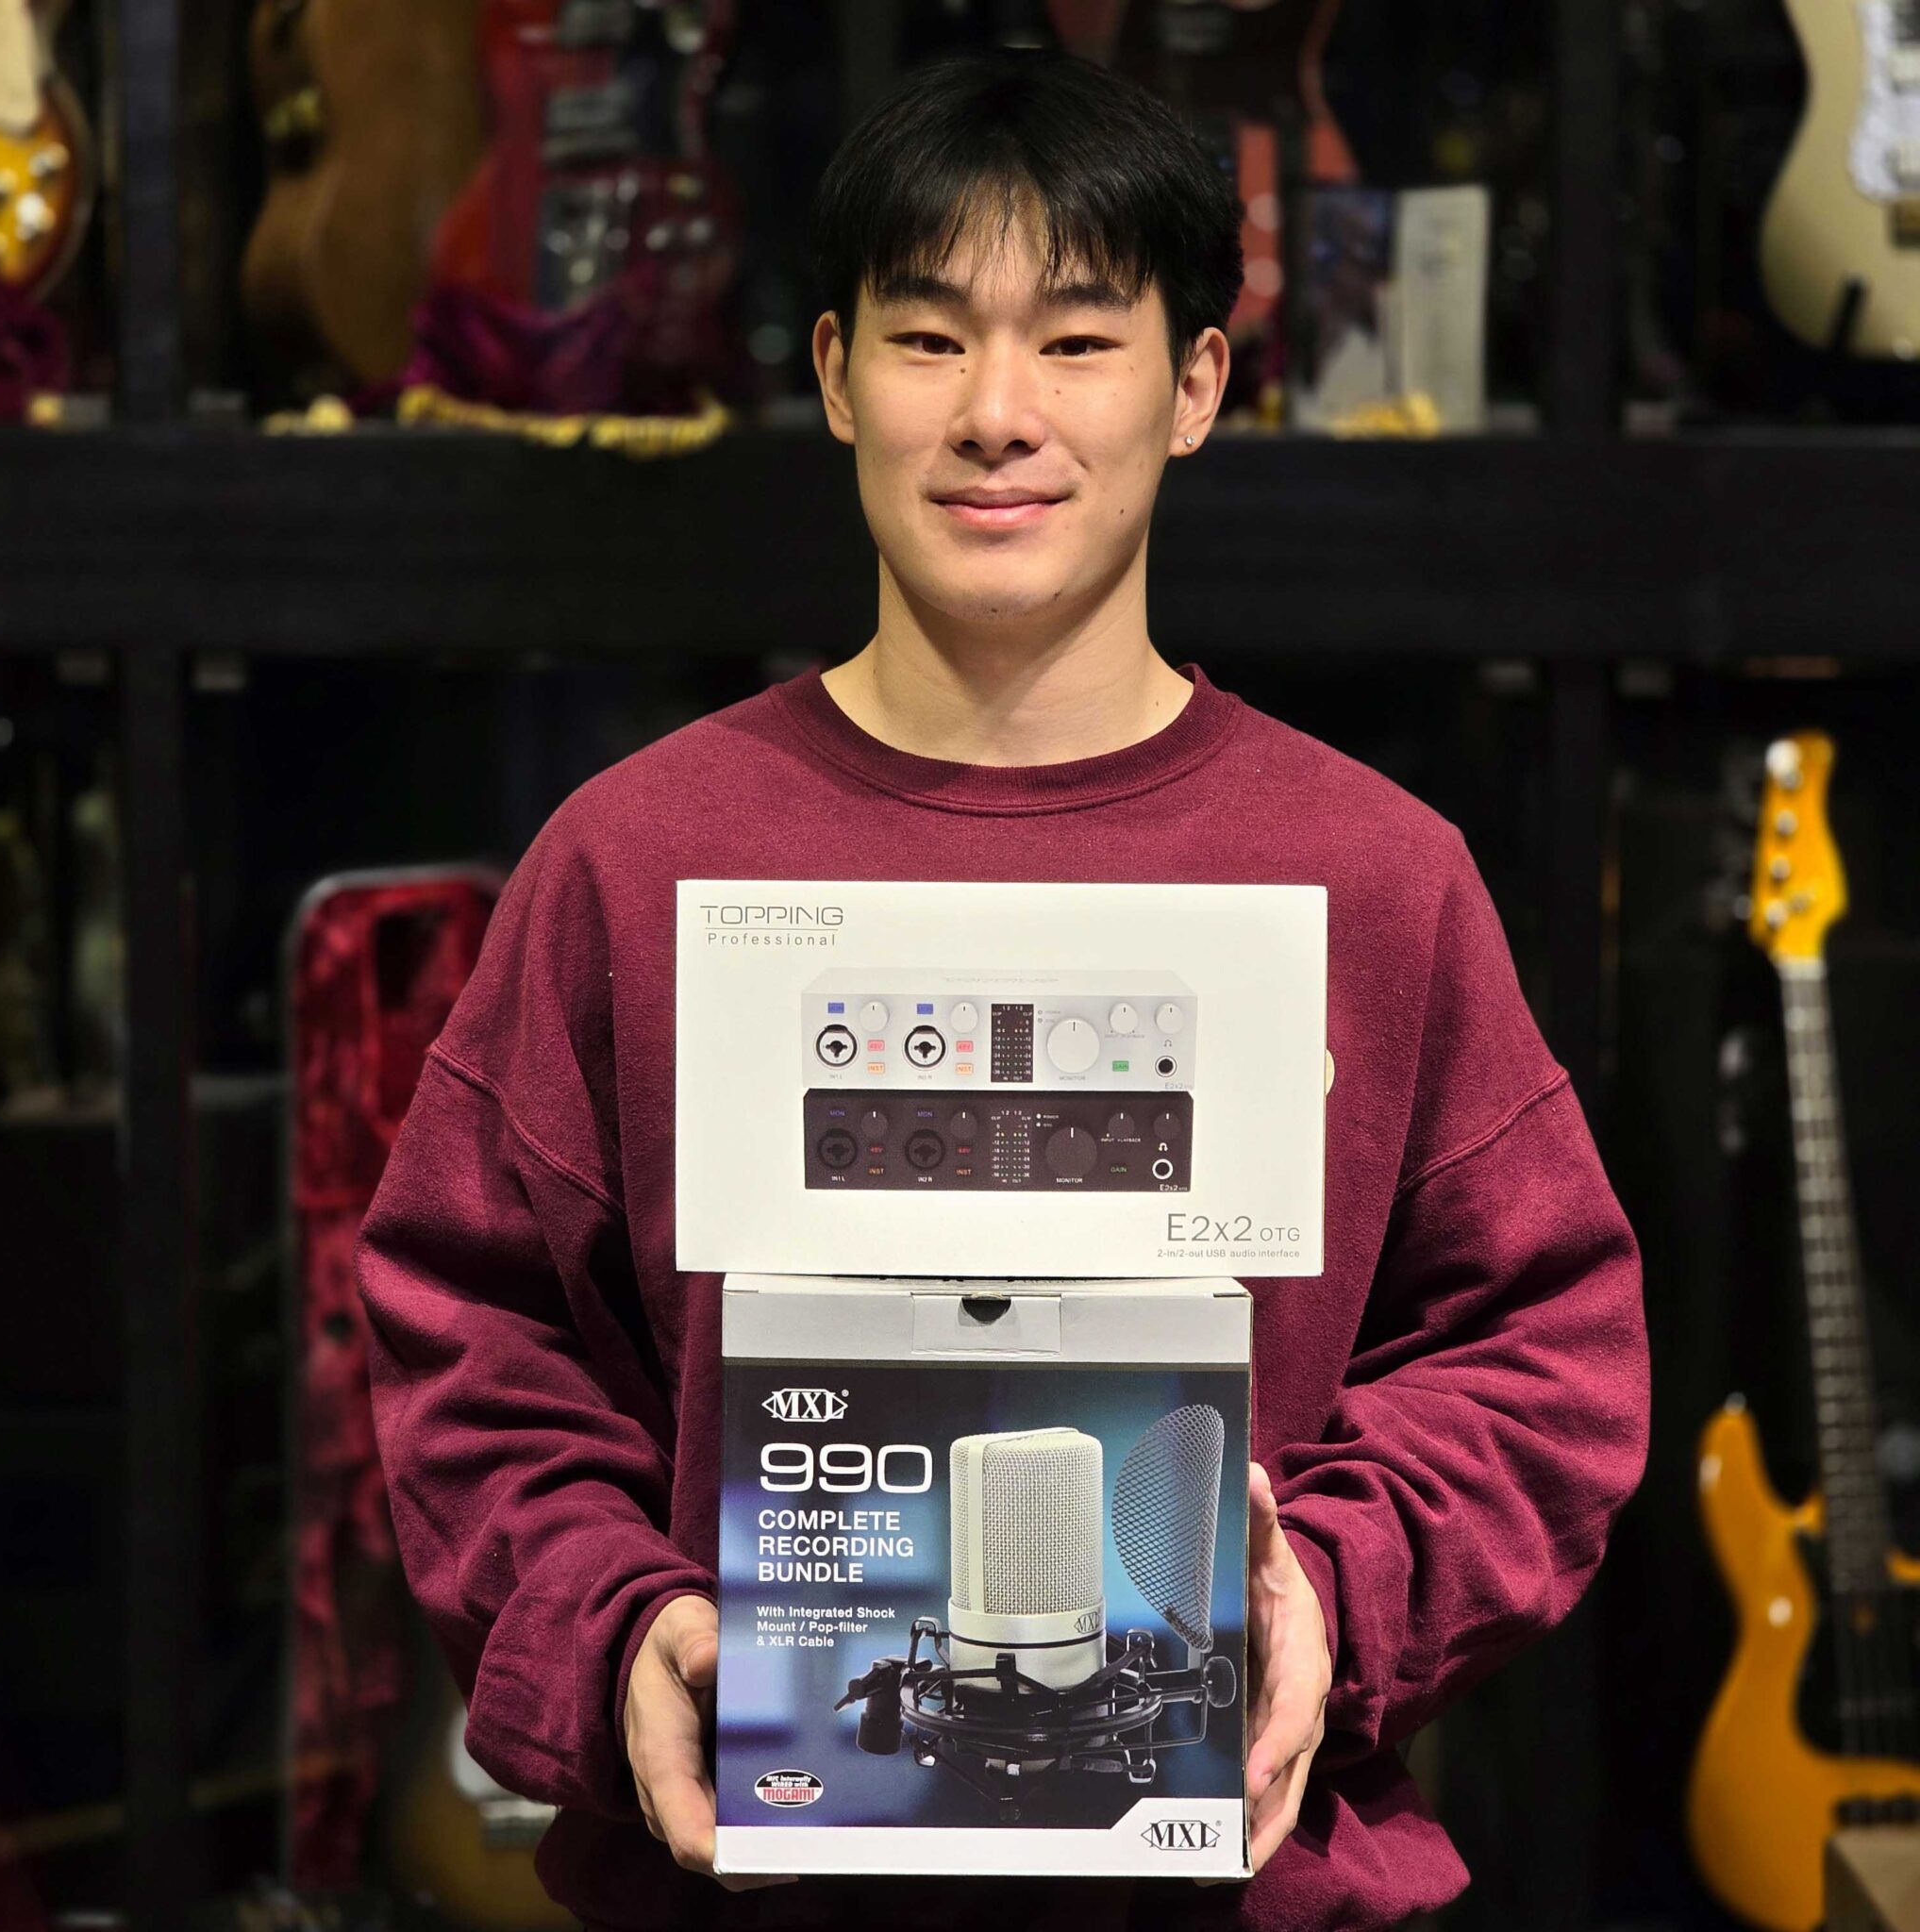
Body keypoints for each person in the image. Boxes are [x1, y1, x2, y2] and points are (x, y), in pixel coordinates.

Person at [353, 46, 1650, 1932]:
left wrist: (1324, 1594)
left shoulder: (1375, 878)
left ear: (1195, 387)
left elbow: (1547, 1355)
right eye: (929, 337)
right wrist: (616, 1627)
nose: (995, 414)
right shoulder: (635, 862)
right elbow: (470, 1340)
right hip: (756, 1882)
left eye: (1078, 340)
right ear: (833, 377)